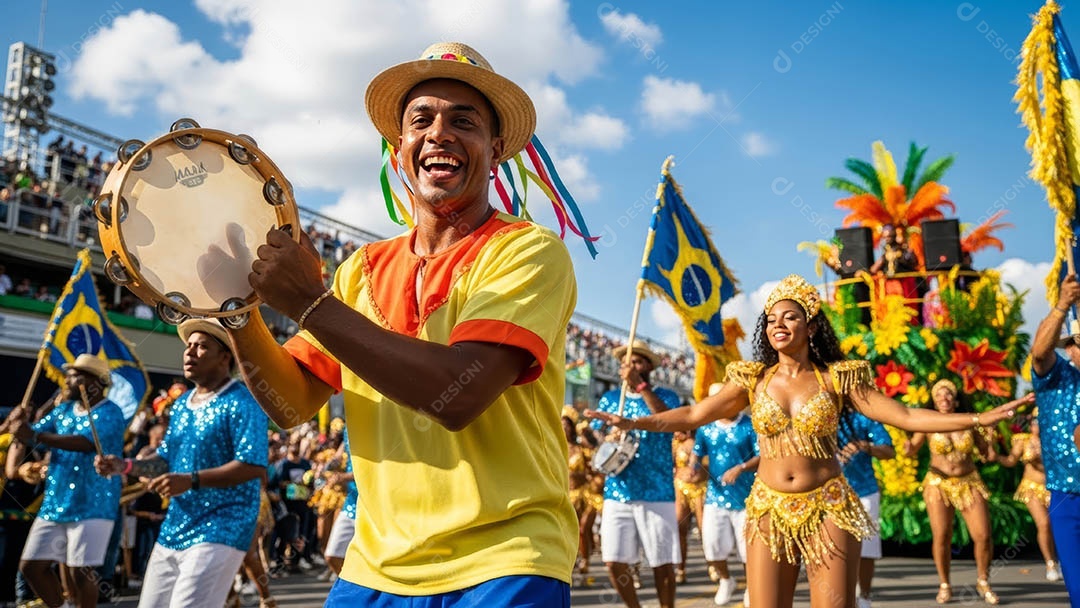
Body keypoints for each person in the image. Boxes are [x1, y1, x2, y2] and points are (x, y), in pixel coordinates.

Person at [225, 41, 578, 606]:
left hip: (506, 560)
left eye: (464, 121)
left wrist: (310, 303)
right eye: (421, 120)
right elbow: (290, 404)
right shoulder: (357, 271)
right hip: (373, 568)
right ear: (399, 148)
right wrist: (234, 312)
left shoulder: (529, 251)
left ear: (498, 149)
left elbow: (455, 395)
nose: (439, 133)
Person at [587, 274, 1026, 608]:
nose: (779, 324)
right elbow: (693, 414)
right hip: (767, 507)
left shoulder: (838, 377)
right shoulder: (751, 379)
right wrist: (633, 424)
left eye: (790, 316)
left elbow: (905, 415)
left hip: (829, 504)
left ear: (811, 326)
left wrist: (976, 417)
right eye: (772, 319)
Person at [95, 318, 268, 608]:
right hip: (176, 526)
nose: (189, 352)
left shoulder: (244, 402)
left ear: (225, 357)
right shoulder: (183, 404)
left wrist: (191, 480)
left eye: (201, 347)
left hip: (223, 527)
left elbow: (252, 465)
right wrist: (123, 466)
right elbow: (165, 460)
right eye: (188, 346)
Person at [11, 354, 126, 608]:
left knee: (80, 572)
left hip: (94, 505)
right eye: (69, 375)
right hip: (55, 502)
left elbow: (84, 443)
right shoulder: (62, 410)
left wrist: (35, 434)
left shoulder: (111, 413)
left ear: (94, 382)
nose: (68, 380)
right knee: (31, 566)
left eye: (75, 376)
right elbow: (33, 434)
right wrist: (21, 424)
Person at [591, 340, 682, 608]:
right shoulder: (610, 398)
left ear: (649, 367)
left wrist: (641, 388)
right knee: (613, 560)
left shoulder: (667, 396)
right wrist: (604, 435)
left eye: (637, 362)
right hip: (618, 490)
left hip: (657, 491)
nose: (630, 366)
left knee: (662, 563)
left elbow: (669, 422)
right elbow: (596, 435)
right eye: (626, 363)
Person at [1030, 273, 1080, 606]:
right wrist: (1063, 304)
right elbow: (1038, 352)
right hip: (1067, 495)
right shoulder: (1057, 377)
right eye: (1076, 343)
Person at [691, 397, 758, 607]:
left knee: (748, 551)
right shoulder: (706, 428)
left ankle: (751, 586)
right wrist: (692, 469)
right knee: (712, 546)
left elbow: (762, 455)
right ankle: (726, 580)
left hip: (746, 499)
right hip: (715, 497)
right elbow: (697, 453)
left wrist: (741, 467)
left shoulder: (750, 425)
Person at [837, 410, 895, 608]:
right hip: (829, 495)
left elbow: (889, 451)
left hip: (864, 493)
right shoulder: (817, 413)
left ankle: (864, 597)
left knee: (867, 549)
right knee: (835, 551)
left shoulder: (864, 418)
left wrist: (864, 446)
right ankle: (842, 596)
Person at [998, 409, 1061, 582]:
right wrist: (995, 456)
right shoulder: (1023, 441)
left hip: (1053, 488)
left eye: (1042, 420)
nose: (1038, 424)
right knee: (1044, 523)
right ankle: (1050, 563)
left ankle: (1064, 560)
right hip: (1031, 488)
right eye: (1035, 421)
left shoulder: (1056, 441)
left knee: (1061, 524)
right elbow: (1010, 461)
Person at [672, 429, 706, 584]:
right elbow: (669, 464)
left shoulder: (703, 439)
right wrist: (678, 472)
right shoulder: (675, 445)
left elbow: (712, 464)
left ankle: (714, 565)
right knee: (680, 527)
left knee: (704, 528)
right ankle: (681, 568)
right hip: (681, 489)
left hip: (701, 489)